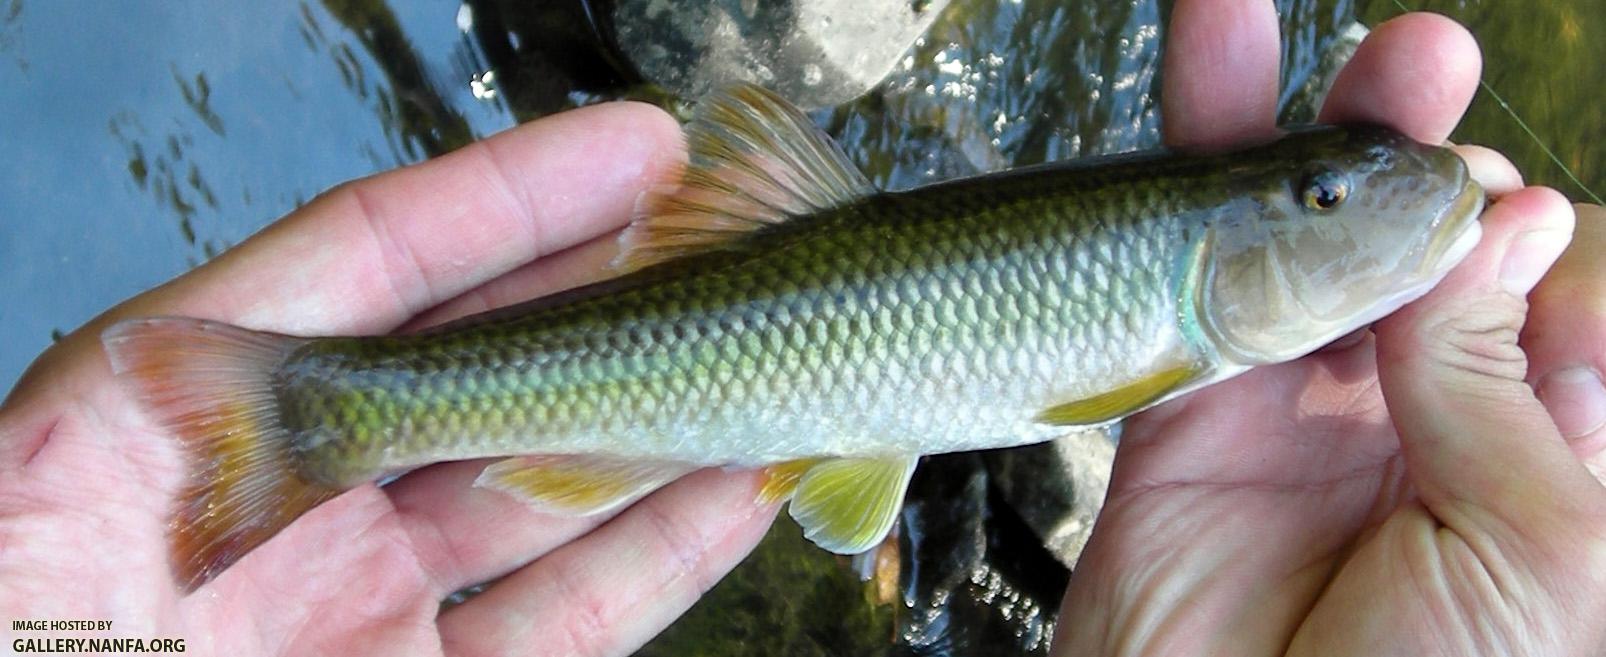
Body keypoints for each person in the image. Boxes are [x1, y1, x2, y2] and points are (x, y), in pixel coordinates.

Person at [1, 0, 1601, 654]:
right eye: (1321, 198)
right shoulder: (1182, 339)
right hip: (786, 307)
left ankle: (343, 409)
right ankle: (332, 410)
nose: (1365, 201)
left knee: (833, 470)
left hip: (795, 320)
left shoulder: (1198, 322)